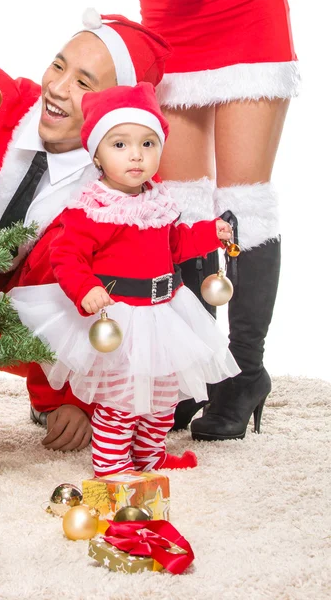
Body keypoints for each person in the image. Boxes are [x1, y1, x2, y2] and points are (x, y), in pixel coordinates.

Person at [0, 9, 172, 452]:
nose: (57, 89)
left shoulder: (113, 194)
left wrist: (72, 400)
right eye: (58, 65)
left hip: (20, 326)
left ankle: (49, 393)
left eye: (83, 83)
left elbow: (113, 303)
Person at [8, 82, 240, 476]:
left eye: (147, 144)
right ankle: (111, 463)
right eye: (120, 145)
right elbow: (67, 256)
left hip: (164, 311)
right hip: (121, 317)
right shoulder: (93, 208)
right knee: (122, 399)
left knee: (163, 397)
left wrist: (208, 233)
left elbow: (175, 244)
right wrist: (86, 289)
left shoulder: (157, 201)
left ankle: (149, 456)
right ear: (96, 153)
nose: (136, 155)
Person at [140, 0, 301, 439]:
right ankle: (196, 371)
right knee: (179, 208)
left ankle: (246, 372)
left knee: (244, 206)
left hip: (245, 15)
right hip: (171, 22)